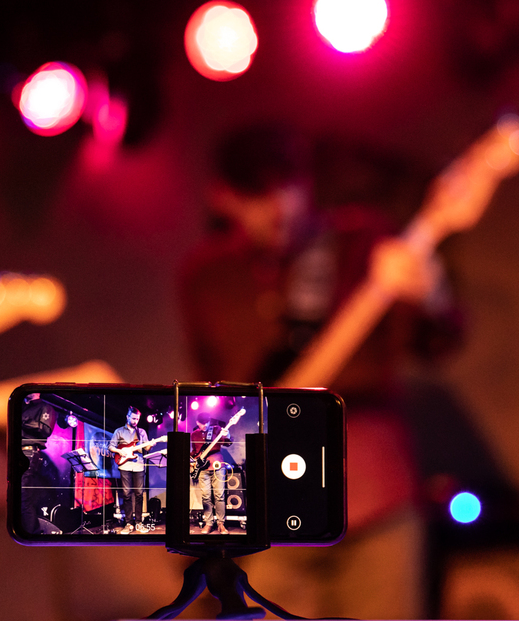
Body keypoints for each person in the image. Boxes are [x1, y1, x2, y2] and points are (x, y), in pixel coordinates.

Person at [180, 125, 462, 618]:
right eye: (258, 194)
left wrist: (431, 290)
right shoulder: (203, 277)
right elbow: (210, 398)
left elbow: (441, 340)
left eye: (289, 186)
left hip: (373, 492)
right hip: (271, 508)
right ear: (222, 198)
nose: (281, 207)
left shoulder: (361, 241)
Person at [19, 393, 61, 535]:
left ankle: (30, 533)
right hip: (18, 451)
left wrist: (21, 420)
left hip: (29, 452)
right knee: (16, 493)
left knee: (23, 495)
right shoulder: (22, 407)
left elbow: (46, 429)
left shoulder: (45, 407)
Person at [108, 406, 149, 534]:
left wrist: (150, 444)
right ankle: (128, 523)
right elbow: (111, 447)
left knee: (139, 494)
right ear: (127, 417)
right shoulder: (119, 431)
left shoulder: (141, 432)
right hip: (124, 465)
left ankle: (139, 523)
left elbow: (146, 449)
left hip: (139, 465)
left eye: (137, 419)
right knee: (126, 494)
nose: (136, 421)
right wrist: (120, 451)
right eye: (133, 418)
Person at [190, 411, 232, 535]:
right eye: (202, 423)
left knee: (219, 495)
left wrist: (227, 433)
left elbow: (228, 443)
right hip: (203, 469)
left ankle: (221, 523)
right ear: (197, 423)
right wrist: (191, 461)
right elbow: (194, 451)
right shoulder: (194, 434)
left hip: (217, 465)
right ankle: (208, 523)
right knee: (206, 497)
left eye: (207, 422)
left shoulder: (216, 430)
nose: (205, 425)